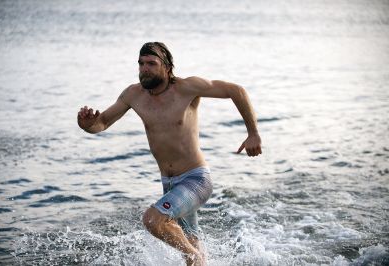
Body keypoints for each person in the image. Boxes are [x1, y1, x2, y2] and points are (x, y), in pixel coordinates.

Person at [77, 42, 262, 266]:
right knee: (192, 250)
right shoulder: (133, 94)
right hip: (170, 184)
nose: (144, 68)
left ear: (167, 67)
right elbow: (103, 122)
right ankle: (196, 258)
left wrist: (253, 133)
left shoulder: (187, 88)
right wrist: (87, 125)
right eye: (141, 64)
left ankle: (192, 255)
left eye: (151, 64)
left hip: (196, 180)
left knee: (154, 220)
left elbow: (236, 90)